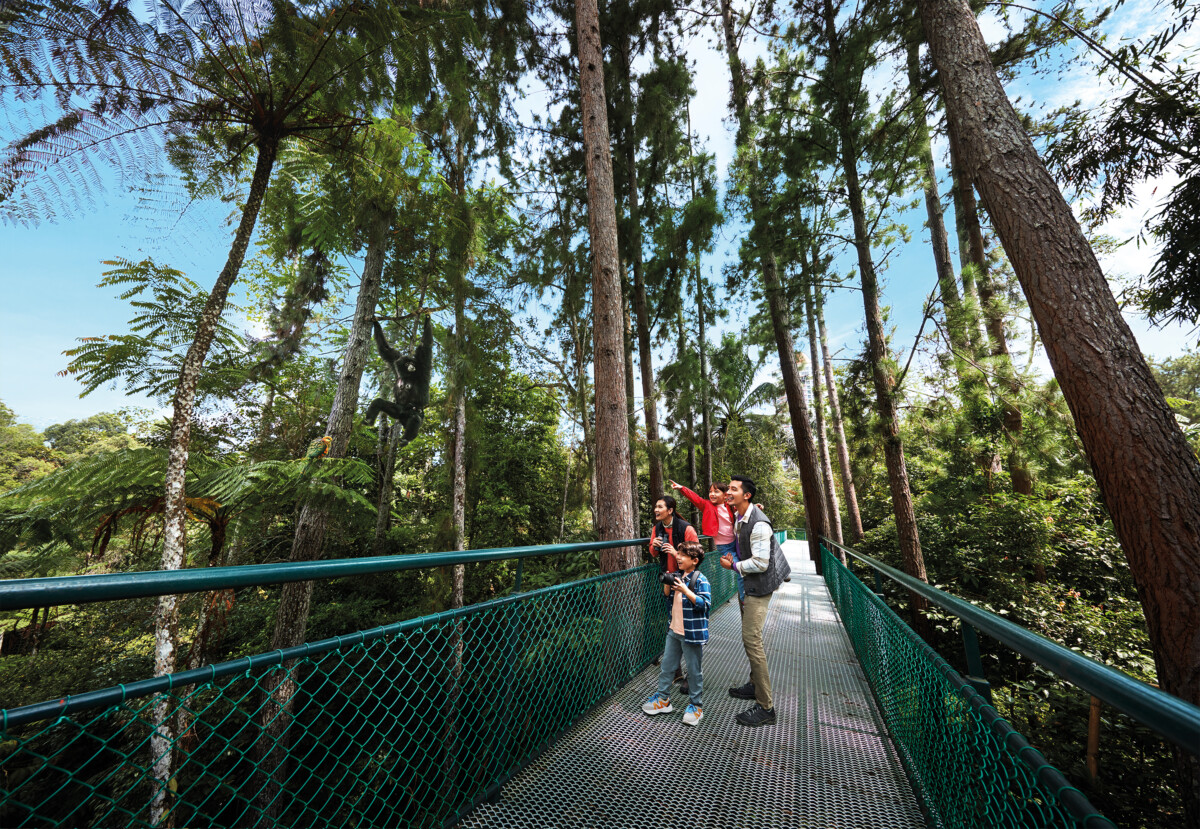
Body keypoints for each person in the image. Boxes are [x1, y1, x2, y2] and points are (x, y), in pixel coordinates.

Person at [720, 474, 791, 727]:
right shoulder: (740, 515)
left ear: (746, 495)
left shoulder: (758, 523)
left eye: (733, 489)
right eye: (728, 489)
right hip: (749, 583)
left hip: (759, 586)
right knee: (751, 638)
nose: (728, 492)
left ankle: (766, 707)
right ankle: (754, 685)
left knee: (752, 640)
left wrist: (733, 565)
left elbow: (761, 563)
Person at [641, 541, 711, 726]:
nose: (678, 558)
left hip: (691, 633)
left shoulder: (701, 580)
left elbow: (705, 605)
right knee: (667, 667)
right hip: (674, 630)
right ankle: (663, 699)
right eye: (678, 554)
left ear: (694, 560)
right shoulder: (677, 576)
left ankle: (696, 706)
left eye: (683, 555)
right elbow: (669, 599)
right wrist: (668, 587)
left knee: (694, 671)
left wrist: (685, 590)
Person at [648, 495, 699, 691]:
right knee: (672, 626)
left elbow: (697, 556)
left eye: (660, 507)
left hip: (686, 584)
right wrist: (654, 546)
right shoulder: (657, 528)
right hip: (669, 582)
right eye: (656, 506)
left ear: (670, 510)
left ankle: (692, 677)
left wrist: (675, 554)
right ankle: (676, 671)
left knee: (688, 629)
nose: (656, 509)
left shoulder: (686, 528)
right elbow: (653, 553)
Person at [669, 479, 739, 601]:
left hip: (736, 542)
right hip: (724, 546)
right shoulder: (707, 505)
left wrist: (756, 508)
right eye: (710, 491)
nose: (712, 494)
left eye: (716, 491)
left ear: (725, 495)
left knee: (745, 564)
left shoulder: (730, 506)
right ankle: (743, 597)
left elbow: (742, 508)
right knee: (739, 569)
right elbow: (695, 498)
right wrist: (682, 488)